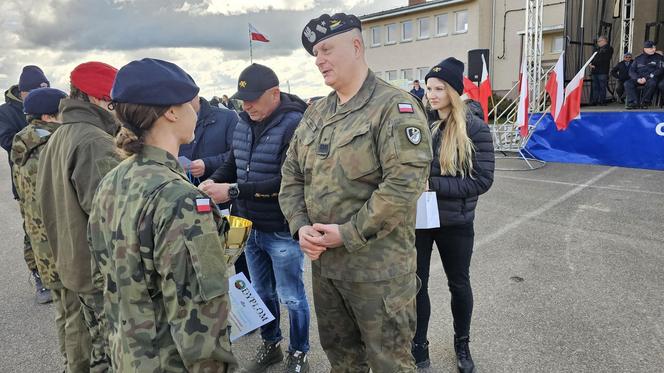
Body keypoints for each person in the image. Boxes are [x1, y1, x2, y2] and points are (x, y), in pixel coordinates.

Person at [280, 13, 432, 371]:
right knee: (343, 361)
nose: (319, 60)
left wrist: (347, 234)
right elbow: (290, 174)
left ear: (357, 46)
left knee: (389, 363)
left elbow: (402, 186)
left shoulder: (394, 107)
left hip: (377, 274)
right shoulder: (316, 111)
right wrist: (300, 226)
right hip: (326, 269)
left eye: (326, 49)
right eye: (315, 53)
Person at [87, 58, 238, 372]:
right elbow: (201, 325)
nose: (196, 110)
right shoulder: (181, 199)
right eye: (190, 103)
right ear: (171, 111)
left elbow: (100, 283)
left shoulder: (113, 180)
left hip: (127, 356)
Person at [200, 63, 311, 373]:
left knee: (292, 295)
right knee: (260, 292)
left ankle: (299, 350)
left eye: (252, 99)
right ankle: (271, 343)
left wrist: (233, 191)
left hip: (280, 227)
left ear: (274, 94)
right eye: (242, 99)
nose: (245, 105)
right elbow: (232, 165)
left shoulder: (294, 125)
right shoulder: (243, 122)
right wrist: (211, 184)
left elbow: (286, 182)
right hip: (246, 225)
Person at [411, 58, 495, 372]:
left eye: (439, 88)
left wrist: (432, 184)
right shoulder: (420, 122)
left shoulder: (474, 125)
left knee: (458, 284)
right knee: (416, 285)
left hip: (456, 222)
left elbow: (482, 180)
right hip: (420, 220)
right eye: (429, 88)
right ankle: (419, 345)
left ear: (453, 91)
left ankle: (462, 344)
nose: (431, 94)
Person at [37, 61, 119, 372]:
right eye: (113, 102)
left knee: (93, 348)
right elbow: (112, 220)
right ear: (98, 100)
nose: (117, 111)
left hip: (74, 264)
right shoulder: (95, 142)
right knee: (109, 354)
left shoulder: (59, 136)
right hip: (99, 275)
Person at [11, 87, 92, 372]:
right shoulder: (51, 146)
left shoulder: (22, 143)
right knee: (76, 318)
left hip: (41, 244)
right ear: (48, 115)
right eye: (61, 112)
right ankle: (77, 366)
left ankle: (69, 361)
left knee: (65, 312)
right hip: (60, 243)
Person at [0, 65, 52, 304]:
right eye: (31, 93)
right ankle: (39, 275)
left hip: (54, 177)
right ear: (22, 93)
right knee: (34, 229)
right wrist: (40, 131)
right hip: (25, 182)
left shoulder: (51, 105)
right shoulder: (6, 112)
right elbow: (8, 140)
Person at [624, 41, 664, 109]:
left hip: (651, 78)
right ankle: (634, 102)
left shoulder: (659, 57)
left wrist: (646, 78)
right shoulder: (638, 58)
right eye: (651, 48)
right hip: (638, 78)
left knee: (652, 83)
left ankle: (644, 102)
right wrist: (637, 78)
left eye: (654, 47)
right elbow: (631, 71)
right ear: (645, 49)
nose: (654, 49)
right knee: (627, 83)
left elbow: (660, 70)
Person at [589, 36, 613, 105]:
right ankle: (594, 101)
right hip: (595, 70)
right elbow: (593, 58)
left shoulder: (608, 48)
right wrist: (590, 63)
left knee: (602, 86)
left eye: (599, 41)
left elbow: (603, 59)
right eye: (598, 41)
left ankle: (602, 101)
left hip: (602, 70)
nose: (598, 43)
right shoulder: (597, 49)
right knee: (595, 87)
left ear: (604, 41)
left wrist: (594, 64)